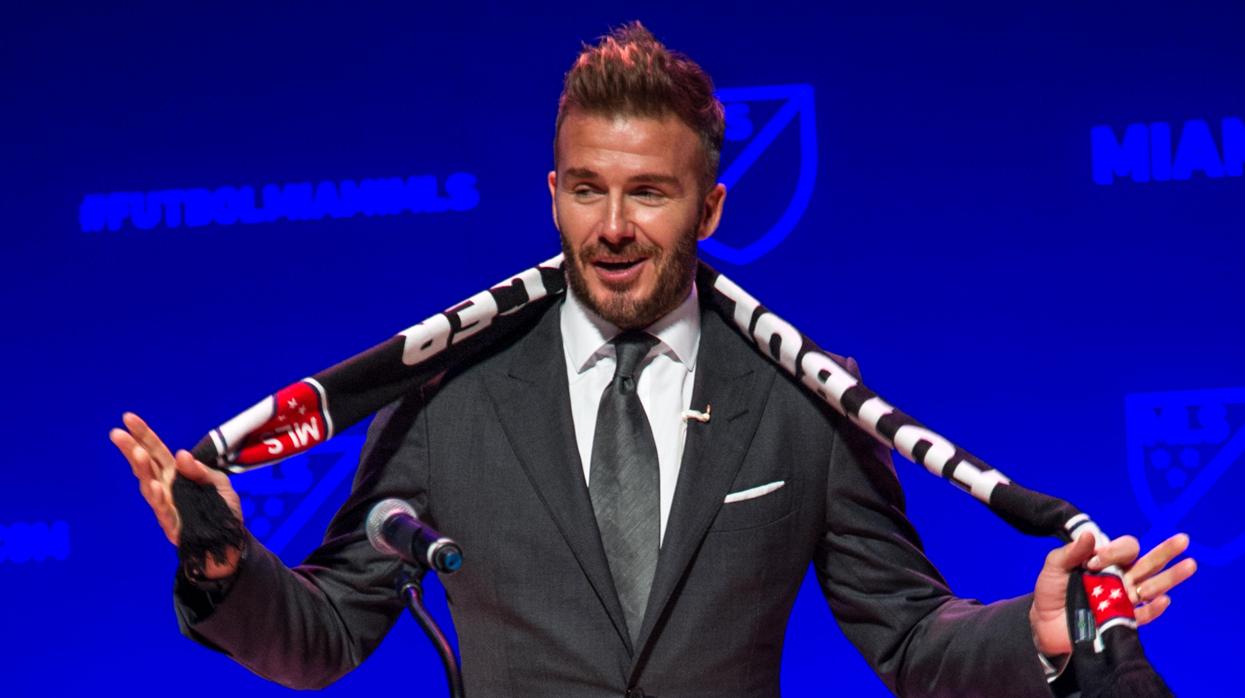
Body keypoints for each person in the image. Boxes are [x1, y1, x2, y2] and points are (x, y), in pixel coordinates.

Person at [109, 22, 1196, 697]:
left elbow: (910, 636)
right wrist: (224, 568)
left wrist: (1033, 637)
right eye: (587, 190)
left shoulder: (801, 396)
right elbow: (328, 636)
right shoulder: (448, 394)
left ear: (710, 207)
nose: (614, 226)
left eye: (649, 192)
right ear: (554, 196)